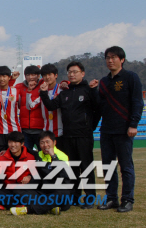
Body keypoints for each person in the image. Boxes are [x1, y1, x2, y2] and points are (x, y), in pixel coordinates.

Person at [39, 61, 99, 209]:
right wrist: (43, 93)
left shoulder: (88, 90)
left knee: (86, 167)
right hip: (67, 136)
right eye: (69, 72)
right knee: (72, 168)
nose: (72, 74)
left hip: (84, 135)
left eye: (75, 72)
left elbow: (98, 109)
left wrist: (90, 126)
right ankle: (75, 197)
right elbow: (51, 106)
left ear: (82, 74)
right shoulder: (64, 92)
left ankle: (90, 198)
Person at [97, 46, 143, 212]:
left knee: (126, 167)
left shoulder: (131, 77)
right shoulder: (103, 82)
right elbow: (99, 106)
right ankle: (111, 199)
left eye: (114, 57)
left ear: (122, 59)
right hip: (106, 130)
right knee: (108, 167)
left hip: (124, 130)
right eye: (108, 58)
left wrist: (133, 124)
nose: (110, 60)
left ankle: (127, 200)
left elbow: (137, 102)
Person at [10, 131, 71, 215]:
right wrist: (30, 176)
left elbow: (64, 177)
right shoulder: (38, 155)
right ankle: (49, 207)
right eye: (42, 143)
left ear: (54, 142)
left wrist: (53, 157)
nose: (45, 145)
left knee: (63, 193)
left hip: (57, 190)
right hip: (42, 192)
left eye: (47, 142)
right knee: (18, 190)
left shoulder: (62, 156)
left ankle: (28, 210)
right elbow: (23, 149)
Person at [26, 64, 66, 150]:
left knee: (61, 160)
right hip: (46, 133)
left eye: (50, 74)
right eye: (44, 75)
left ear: (56, 75)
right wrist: (29, 91)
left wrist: (67, 82)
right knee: (47, 161)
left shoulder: (63, 89)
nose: (47, 77)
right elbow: (30, 106)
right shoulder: (42, 91)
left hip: (61, 133)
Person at [14, 65, 44, 151]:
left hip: (40, 129)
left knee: (43, 155)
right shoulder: (19, 87)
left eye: (33, 74)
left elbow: (55, 83)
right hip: (25, 130)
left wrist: (65, 82)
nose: (30, 77)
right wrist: (12, 79)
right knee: (26, 155)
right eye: (28, 75)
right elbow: (7, 90)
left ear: (38, 76)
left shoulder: (43, 85)